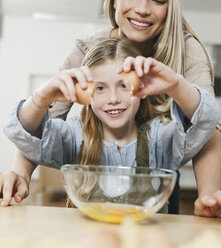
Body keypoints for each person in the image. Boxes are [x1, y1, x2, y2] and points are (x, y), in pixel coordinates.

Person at [1, 0, 221, 216]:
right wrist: (20, 172)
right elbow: (39, 125)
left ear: (170, 6)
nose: (142, 9)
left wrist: (209, 198)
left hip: (154, 185)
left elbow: (207, 123)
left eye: (158, 0)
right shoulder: (87, 55)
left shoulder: (162, 138)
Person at [3, 38, 220, 213]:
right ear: (85, 92)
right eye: (100, 88)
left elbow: (207, 120)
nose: (113, 98)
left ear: (142, 88)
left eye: (123, 85)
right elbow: (22, 132)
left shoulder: (160, 139)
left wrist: (175, 84)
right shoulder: (73, 136)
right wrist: (41, 98)